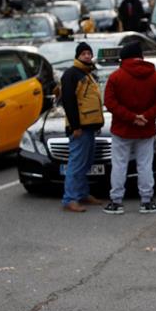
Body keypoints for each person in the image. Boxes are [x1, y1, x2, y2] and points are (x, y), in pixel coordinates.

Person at [103, 42, 156, 215]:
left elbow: (110, 102)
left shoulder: (116, 77)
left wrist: (130, 117)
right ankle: (146, 201)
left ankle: (116, 201)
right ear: (141, 56)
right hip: (146, 129)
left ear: (123, 58)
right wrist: (146, 116)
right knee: (145, 165)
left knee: (119, 165)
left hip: (122, 129)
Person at [59, 42, 105, 213]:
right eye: (84, 53)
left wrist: (96, 123)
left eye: (89, 53)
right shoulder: (72, 74)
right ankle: (70, 199)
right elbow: (69, 101)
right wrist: (75, 126)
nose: (87, 56)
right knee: (76, 164)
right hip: (80, 128)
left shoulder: (88, 73)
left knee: (86, 162)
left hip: (89, 127)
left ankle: (83, 193)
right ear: (77, 56)